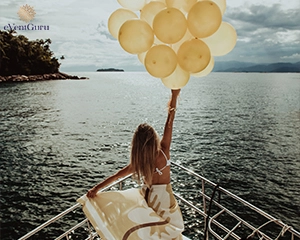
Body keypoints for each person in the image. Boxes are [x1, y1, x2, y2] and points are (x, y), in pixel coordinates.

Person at [86, 89, 184, 238]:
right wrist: (174, 96)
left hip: (149, 198)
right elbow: (170, 120)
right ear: (154, 138)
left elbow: (115, 176)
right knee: (169, 230)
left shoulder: (139, 163)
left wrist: (95, 189)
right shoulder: (164, 150)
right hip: (164, 198)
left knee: (153, 229)